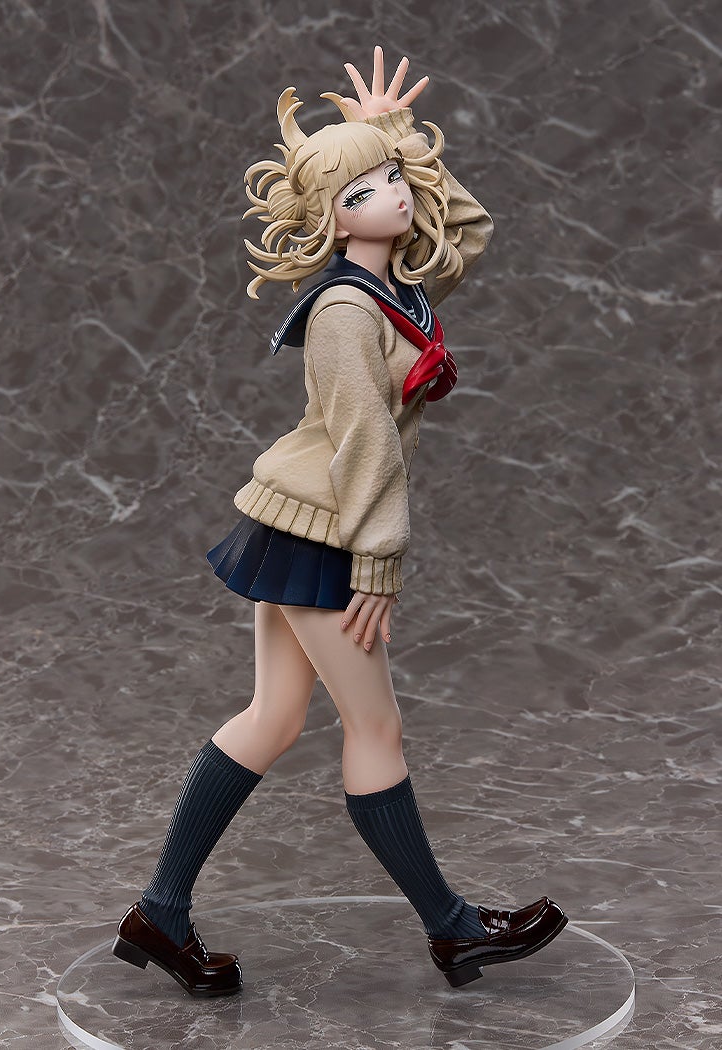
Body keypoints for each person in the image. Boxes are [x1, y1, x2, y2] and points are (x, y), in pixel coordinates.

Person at [111, 46, 567, 998]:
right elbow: (365, 441)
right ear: (331, 217)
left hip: (305, 519)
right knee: (375, 725)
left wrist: (394, 135)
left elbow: (468, 230)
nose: (394, 194)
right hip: (327, 527)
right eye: (365, 190)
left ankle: (159, 914)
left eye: (394, 179)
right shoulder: (345, 313)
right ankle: (453, 931)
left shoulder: (400, 289)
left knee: (274, 718)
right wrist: (378, 561)